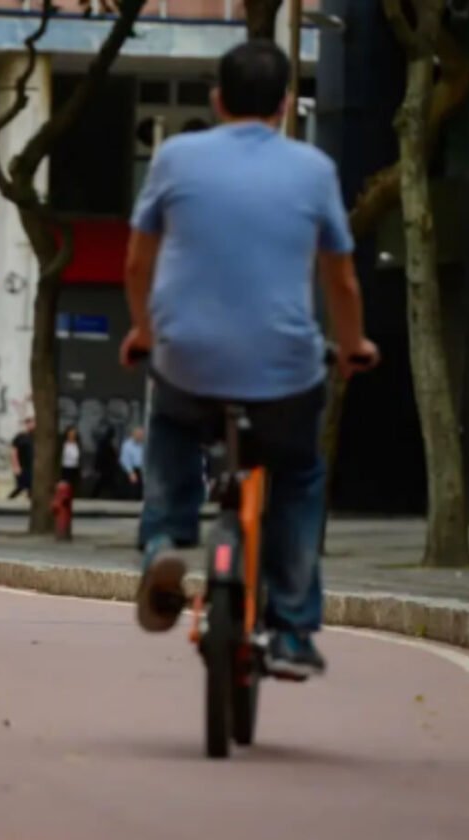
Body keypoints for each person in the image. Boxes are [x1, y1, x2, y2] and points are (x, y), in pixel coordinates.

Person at [119, 40, 379, 679]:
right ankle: (291, 629)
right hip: (285, 370)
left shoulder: (175, 157)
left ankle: (165, 539)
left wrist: (145, 330)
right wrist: (354, 346)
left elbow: (136, 262)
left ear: (216, 100)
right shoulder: (314, 169)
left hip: (189, 359)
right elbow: (341, 281)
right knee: (297, 476)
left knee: (174, 428)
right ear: (287, 105)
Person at [8, 417, 34, 499]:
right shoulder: (20, 437)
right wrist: (16, 466)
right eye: (28, 422)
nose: (31, 425)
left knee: (32, 487)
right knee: (21, 486)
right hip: (22, 467)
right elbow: (13, 452)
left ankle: (31, 505)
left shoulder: (35, 437)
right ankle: (9, 500)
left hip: (32, 467)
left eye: (32, 422)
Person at [120, 426, 145, 500]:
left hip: (141, 470)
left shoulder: (143, 445)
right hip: (131, 470)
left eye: (142, 435)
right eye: (139, 435)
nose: (141, 437)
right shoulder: (127, 445)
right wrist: (131, 473)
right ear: (134, 435)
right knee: (132, 492)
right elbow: (125, 460)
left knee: (140, 492)